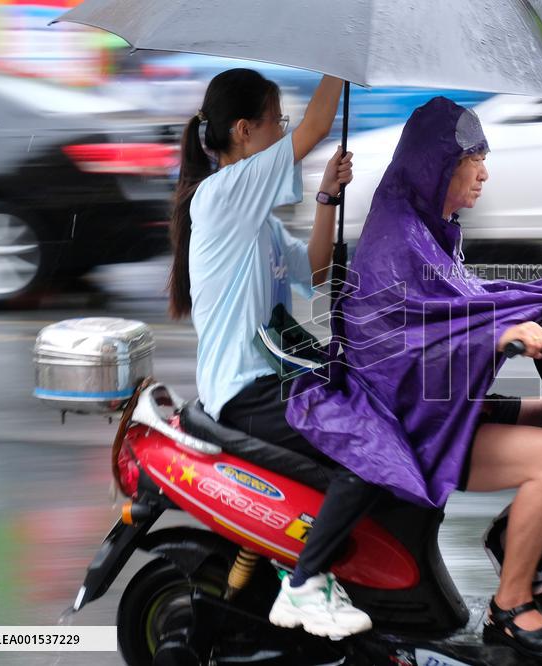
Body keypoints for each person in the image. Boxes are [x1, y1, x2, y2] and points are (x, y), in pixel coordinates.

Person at [288, 97, 542, 658]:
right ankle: (512, 604)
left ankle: (525, 553)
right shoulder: (398, 238)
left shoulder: (429, 228)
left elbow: (460, 305)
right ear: (439, 166)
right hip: (402, 419)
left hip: (431, 404)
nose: (484, 174)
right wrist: (498, 336)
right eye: (474, 161)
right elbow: (400, 348)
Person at [167, 68, 378, 639]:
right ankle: (304, 583)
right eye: (275, 121)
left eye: (282, 121)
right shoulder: (220, 196)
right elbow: (315, 127)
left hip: (272, 380)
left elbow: (313, 270)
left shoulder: (254, 223)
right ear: (243, 131)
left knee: (370, 415)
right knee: (364, 456)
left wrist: (328, 197)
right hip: (245, 391)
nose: (284, 130)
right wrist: (343, 57)